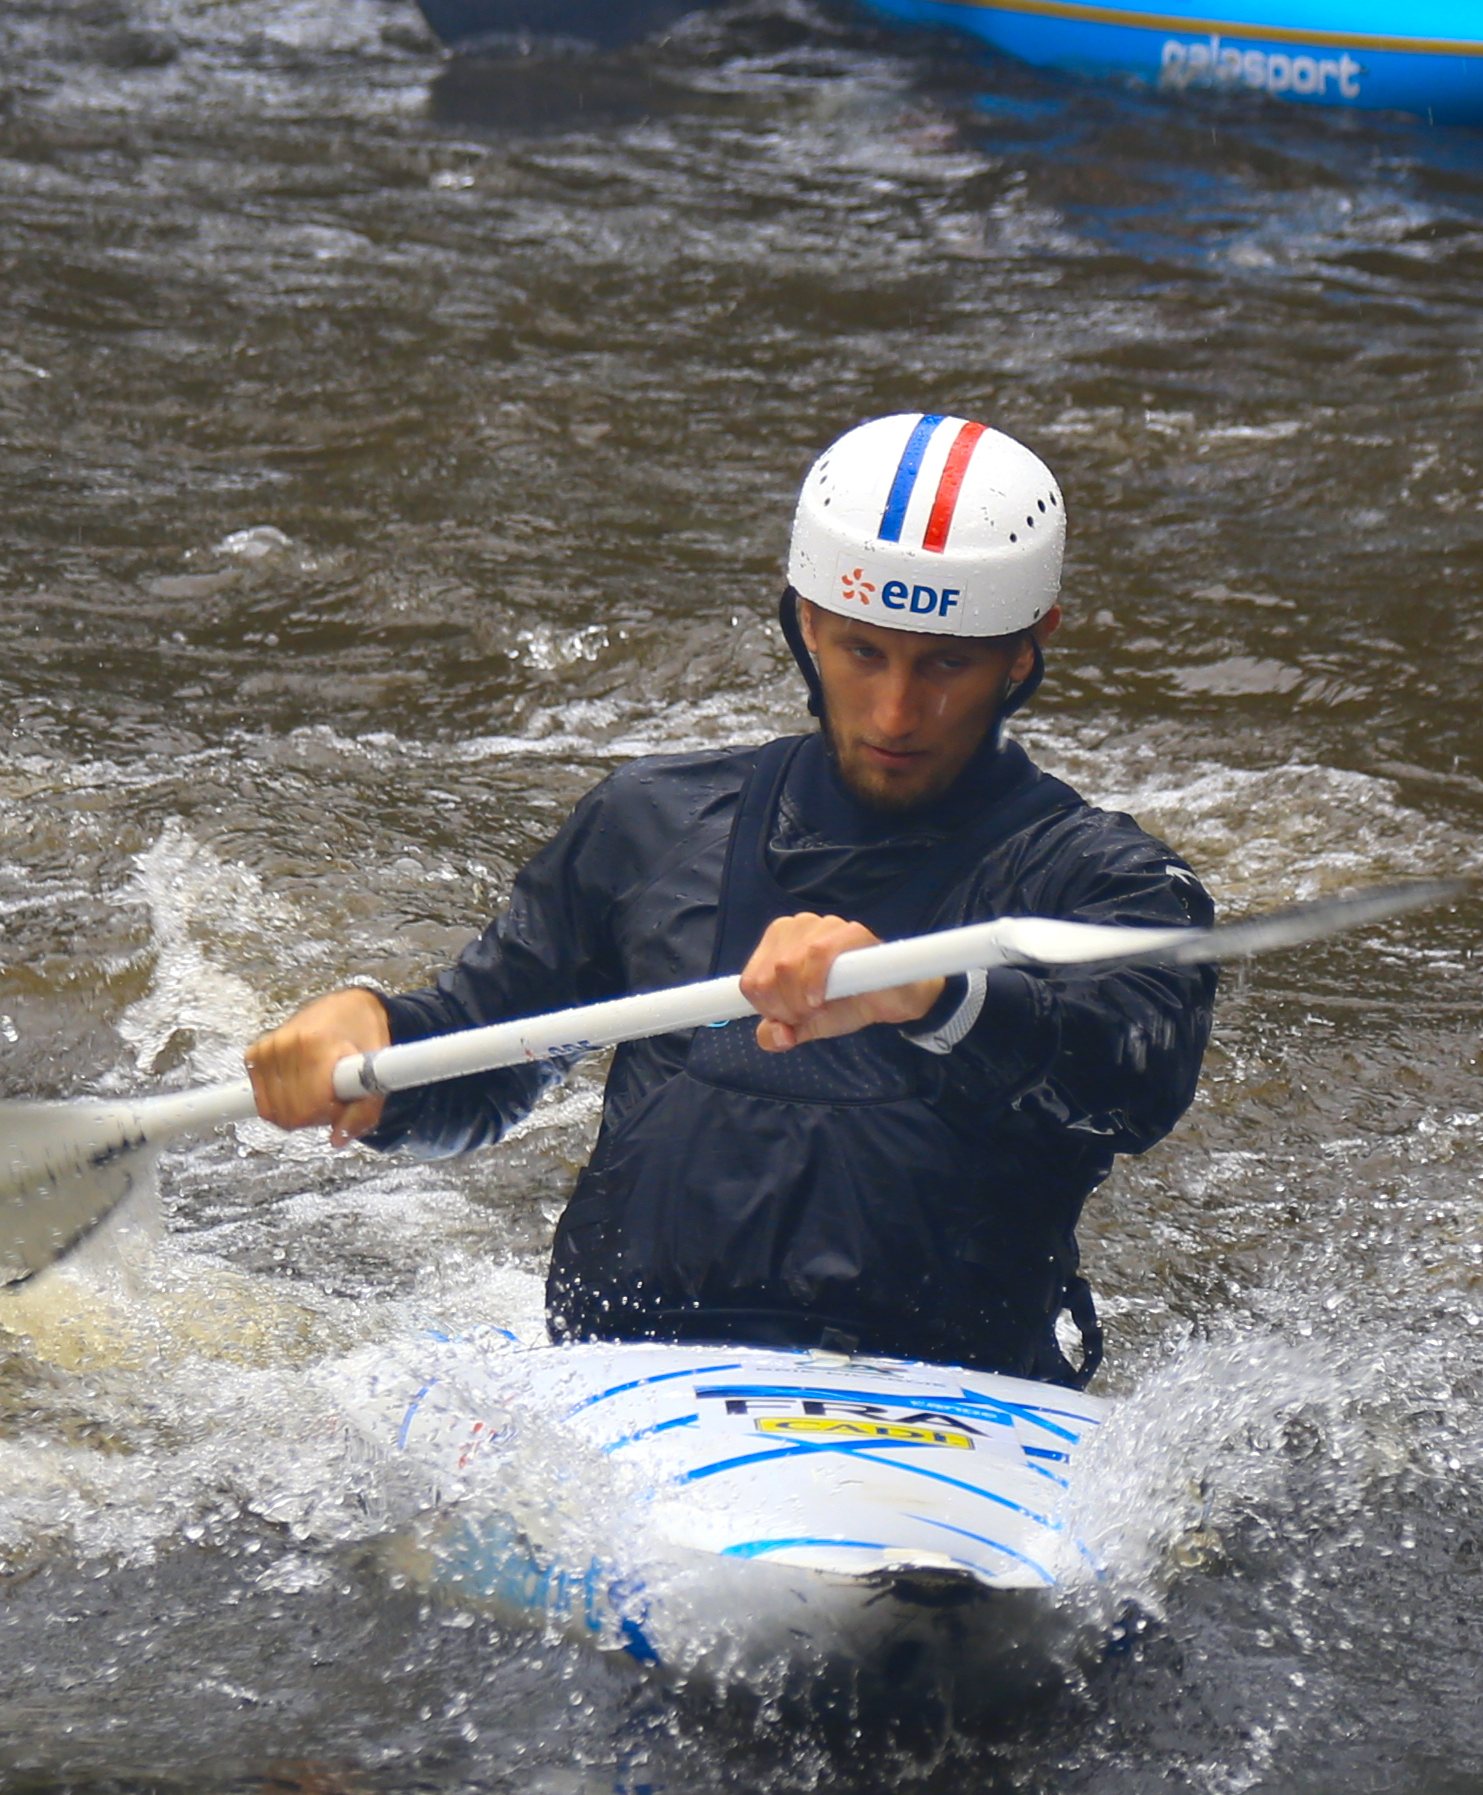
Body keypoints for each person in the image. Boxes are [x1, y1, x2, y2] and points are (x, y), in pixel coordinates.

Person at [240, 415, 1215, 1386]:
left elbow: (1135, 1076)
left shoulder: (1105, 884)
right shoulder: (653, 823)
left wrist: (931, 994)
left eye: (946, 663)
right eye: (863, 652)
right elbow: (485, 1055)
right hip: (628, 1383)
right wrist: (368, 1045)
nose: (896, 713)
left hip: (962, 1401)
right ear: (803, 621)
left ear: (1025, 648)